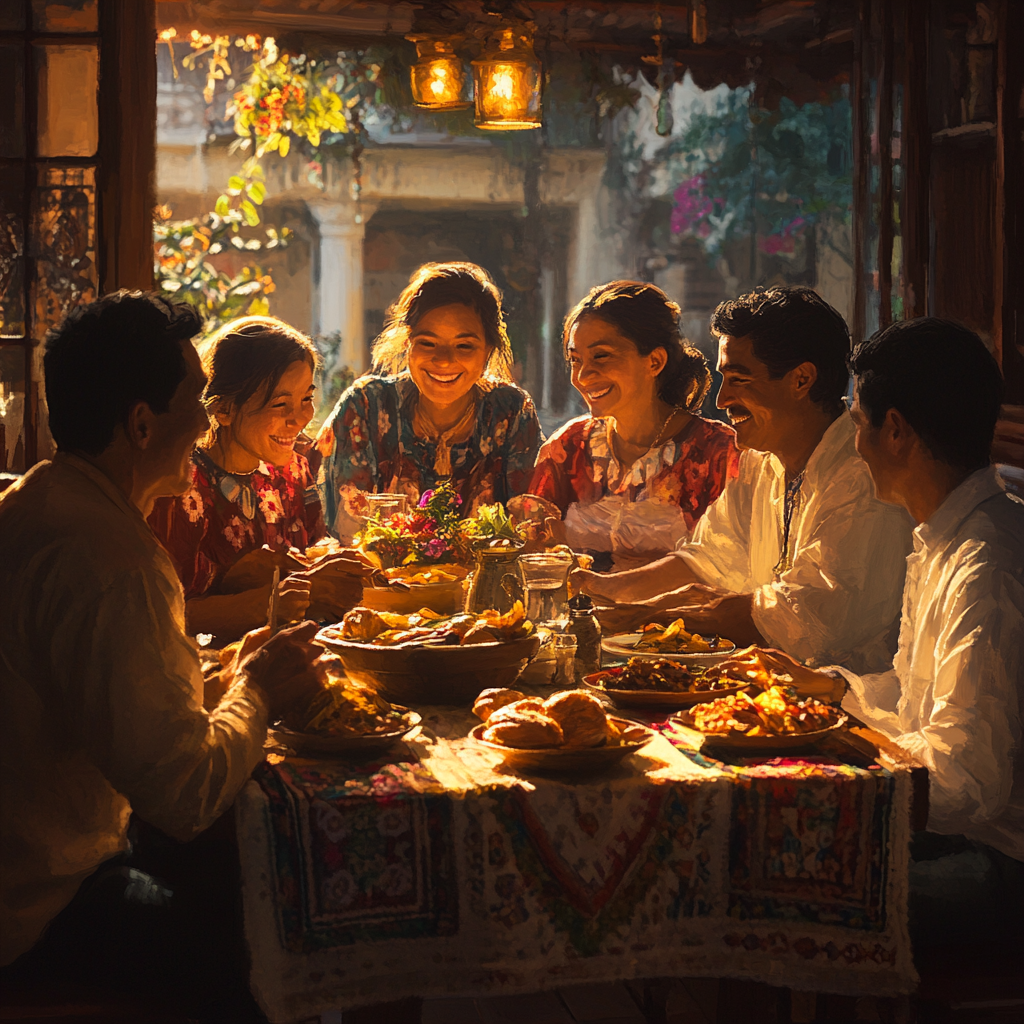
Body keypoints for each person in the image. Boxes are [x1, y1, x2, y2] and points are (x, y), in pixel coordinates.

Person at [0, 292, 328, 1012]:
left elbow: (119, 688)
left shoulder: (39, 503)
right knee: (257, 927)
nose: (207, 418)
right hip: (39, 902)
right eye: (198, 399)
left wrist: (231, 672)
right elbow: (186, 794)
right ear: (142, 424)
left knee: (244, 866)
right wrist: (261, 691)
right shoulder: (111, 560)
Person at [736, 318, 1023, 937]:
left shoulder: (987, 566)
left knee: (769, 881)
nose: (853, 446)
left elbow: (964, 783)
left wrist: (836, 755)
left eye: (857, 426)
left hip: (999, 863)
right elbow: (920, 693)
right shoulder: (946, 534)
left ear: (895, 431)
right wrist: (831, 691)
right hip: (964, 838)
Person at [576, 286, 914, 675]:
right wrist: (606, 590)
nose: (721, 400)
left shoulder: (863, 474)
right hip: (766, 688)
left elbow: (807, 619)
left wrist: (642, 617)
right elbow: (709, 559)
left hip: (850, 708)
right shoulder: (760, 460)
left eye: (739, 379)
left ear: (802, 380)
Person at [148, 316, 368, 640]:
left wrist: (336, 564)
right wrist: (289, 594)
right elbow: (166, 614)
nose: (300, 418)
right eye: (281, 404)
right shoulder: (180, 485)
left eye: (306, 398)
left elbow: (315, 548)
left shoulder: (294, 470)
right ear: (223, 410)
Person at [316, 262, 544, 541]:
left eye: (464, 346)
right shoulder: (366, 406)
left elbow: (526, 529)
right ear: (407, 343)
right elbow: (347, 534)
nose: (445, 360)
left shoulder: (510, 412)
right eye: (427, 343)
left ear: (488, 351)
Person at [520, 281, 738, 570]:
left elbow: (731, 567)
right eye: (575, 360)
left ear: (655, 361)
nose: (583, 376)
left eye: (601, 356)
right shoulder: (567, 448)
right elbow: (532, 551)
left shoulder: (719, 453)